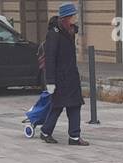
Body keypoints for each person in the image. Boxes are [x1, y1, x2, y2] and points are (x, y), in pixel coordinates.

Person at [41, 3, 88, 146]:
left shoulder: (71, 31)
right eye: (73, 15)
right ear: (67, 17)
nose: (76, 18)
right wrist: (50, 81)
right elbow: (50, 57)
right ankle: (45, 132)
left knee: (75, 105)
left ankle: (74, 137)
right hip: (59, 77)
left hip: (71, 76)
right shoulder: (54, 33)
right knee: (58, 106)